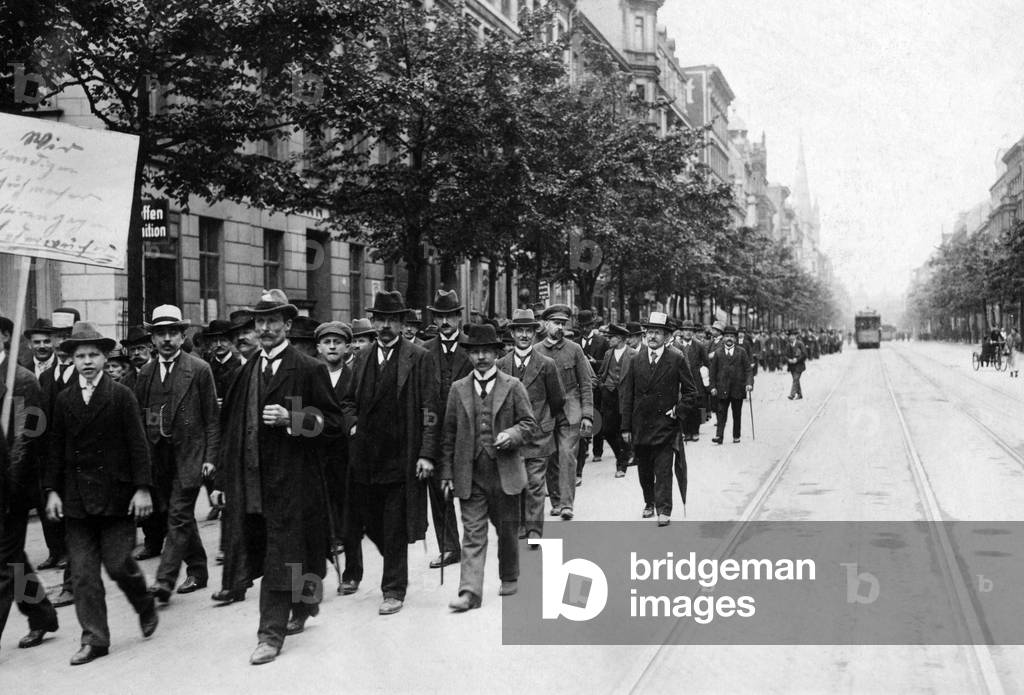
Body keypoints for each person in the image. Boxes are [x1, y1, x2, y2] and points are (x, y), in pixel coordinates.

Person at [213, 289, 342, 664]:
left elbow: (334, 424)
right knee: (283, 551)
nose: (265, 328)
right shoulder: (245, 372)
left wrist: (293, 420)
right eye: (260, 322)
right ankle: (304, 605)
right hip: (253, 483)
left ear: (287, 325)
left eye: (273, 321)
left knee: (281, 555)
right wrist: (222, 482)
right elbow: (230, 431)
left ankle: (269, 634)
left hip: (296, 483)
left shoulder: (308, 368)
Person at [42, 322, 158, 665]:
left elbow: (138, 445)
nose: (88, 362)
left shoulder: (121, 396)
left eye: (94, 355)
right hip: (76, 499)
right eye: (80, 356)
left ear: (106, 357)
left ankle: (143, 602)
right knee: (82, 574)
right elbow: (55, 449)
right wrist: (51, 491)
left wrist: (142, 489)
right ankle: (94, 638)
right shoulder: (64, 400)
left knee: (120, 564)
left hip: (116, 497)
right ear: (72, 360)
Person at [339, 291, 440, 617]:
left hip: (402, 456)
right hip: (366, 457)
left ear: (401, 322)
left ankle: (393, 589)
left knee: (395, 525)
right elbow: (347, 402)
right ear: (374, 321)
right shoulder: (362, 356)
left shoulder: (419, 357)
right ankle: (394, 561)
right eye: (380, 319)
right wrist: (352, 425)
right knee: (369, 521)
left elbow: (430, 409)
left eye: (392, 320)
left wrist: (426, 453)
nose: (385, 326)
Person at [440, 324, 536, 611]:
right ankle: (469, 592)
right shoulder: (458, 389)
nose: (481, 357)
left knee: (507, 529)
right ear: (468, 355)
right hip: (470, 474)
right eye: (475, 352)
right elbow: (448, 434)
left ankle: (509, 574)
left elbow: (529, 424)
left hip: (505, 472)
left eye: (486, 351)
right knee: (473, 533)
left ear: (496, 353)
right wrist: (447, 473)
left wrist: (512, 434)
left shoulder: (513, 386)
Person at [134, 305, 220, 603]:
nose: (167, 339)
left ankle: (164, 580)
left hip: (190, 455)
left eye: (173, 332)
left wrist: (210, 458)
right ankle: (198, 569)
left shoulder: (199, 369)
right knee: (178, 515)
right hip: (158, 458)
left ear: (183, 336)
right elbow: (142, 418)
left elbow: (212, 419)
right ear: (152, 339)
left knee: (179, 514)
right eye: (161, 333)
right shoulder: (145, 373)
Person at [0, 323, 58, 653]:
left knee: (3, 562)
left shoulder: (21, 380)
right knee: (13, 560)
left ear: (4, 336)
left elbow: (30, 434)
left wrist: (9, 482)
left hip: (13, 489)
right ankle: (41, 614)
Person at [619, 312, 699, 526]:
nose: (652, 336)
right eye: (650, 332)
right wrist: (626, 427)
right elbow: (628, 395)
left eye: (657, 332)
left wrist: (678, 410)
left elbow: (691, 392)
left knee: (663, 470)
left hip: (666, 425)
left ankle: (664, 509)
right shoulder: (635, 360)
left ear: (667, 336)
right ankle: (649, 502)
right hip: (641, 426)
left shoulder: (676, 358)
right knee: (644, 470)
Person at [496, 309, 564, 541]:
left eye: (528, 331)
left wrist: (545, 422)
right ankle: (521, 525)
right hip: (513, 436)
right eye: (519, 331)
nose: (524, 335)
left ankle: (534, 529)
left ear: (535, 333)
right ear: (512, 333)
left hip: (539, 435)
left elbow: (557, 399)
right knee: (517, 483)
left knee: (535, 483)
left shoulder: (547, 364)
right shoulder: (501, 365)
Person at [420, 289, 468, 570]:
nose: (445, 321)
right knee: (439, 491)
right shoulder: (424, 351)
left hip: (468, 431)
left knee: (473, 489)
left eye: (450, 315)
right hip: (435, 432)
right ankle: (449, 547)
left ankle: (477, 541)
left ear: (459, 317)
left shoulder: (473, 347)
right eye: (440, 316)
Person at [314, 320, 363, 595]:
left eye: (338, 342)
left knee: (349, 516)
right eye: (327, 342)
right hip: (317, 454)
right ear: (319, 347)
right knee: (318, 515)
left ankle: (352, 573)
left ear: (347, 347)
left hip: (347, 456)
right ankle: (319, 571)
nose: (332, 347)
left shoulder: (355, 376)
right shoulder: (311, 375)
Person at [534, 304, 594, 520]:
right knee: (550, 456)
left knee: (567, 454)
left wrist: (587, 414)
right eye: (555, 323)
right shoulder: (536, 351)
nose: (560, 327)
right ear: (545, 324)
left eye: (562, 324)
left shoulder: (574, 349)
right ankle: (557, 501)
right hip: (546, 412)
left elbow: (585, 383)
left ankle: (567, 504)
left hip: (571, 411)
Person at [595, 324, 635, 477]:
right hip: (609, 396)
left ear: (619, 339)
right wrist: (602, 385)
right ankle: (622, 455)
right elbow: (602, 372)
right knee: (607, 431)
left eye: (611, 337)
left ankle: (621, 464)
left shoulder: (633, 354)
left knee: (623, 430)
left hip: (626, 397)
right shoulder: (608, 353)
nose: (608, 339)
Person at [708, 325, 753, 444]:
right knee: (721, 413)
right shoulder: (718, 353)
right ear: (723, 338)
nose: (729, 339)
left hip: (737, 388)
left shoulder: (741, 352)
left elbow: (748, 370)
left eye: (732, 336)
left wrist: (749, 383)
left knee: (736, 414)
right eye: (727, 336)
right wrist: (712, 386)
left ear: (735, 338)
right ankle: (719, 436)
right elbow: (712, 372)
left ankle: (736, 435)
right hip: (722, 388)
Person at [575, 310, 608, 467]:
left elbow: (607, 362)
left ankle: (598, 450)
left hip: (598, 385)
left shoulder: (602, 341)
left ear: (592, 325)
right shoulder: (575, 343)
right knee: (584, 414)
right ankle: (585, 445)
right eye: (582, 326)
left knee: (597, 415)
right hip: (582, 385)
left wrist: (596, 362)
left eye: (587, 326)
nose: (584, 329)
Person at [674, 320, 709, 442]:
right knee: (684, 404)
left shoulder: (699, 345)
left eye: (690, 330)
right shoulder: (677, 346)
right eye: (685, 330)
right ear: (682, 332)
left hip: (696, 379)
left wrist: (704, 374)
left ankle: (695, 431)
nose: (688, 333)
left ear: (693, 332)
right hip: (682, 379)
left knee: (695, 405)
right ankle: (686, 431)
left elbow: (706, 362)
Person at [202, 319, 243, 401]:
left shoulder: (240, 367)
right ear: (210, 344)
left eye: (223, 340)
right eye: (214, 341)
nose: (218, 345)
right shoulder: (205, 368)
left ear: (231, 342)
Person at [784, 329, 807, 400]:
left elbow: (804, 354)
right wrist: (789, 360)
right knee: (796, 380)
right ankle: (800, 394)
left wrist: (797, 360)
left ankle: (792, 394)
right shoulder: (788, 345)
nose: (791, 337)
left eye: (792, 336)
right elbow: (785, 355)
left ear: (795, 336)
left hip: (799, 366)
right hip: (791, 366)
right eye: (790, 336)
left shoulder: (800, 344)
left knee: (795, 379)